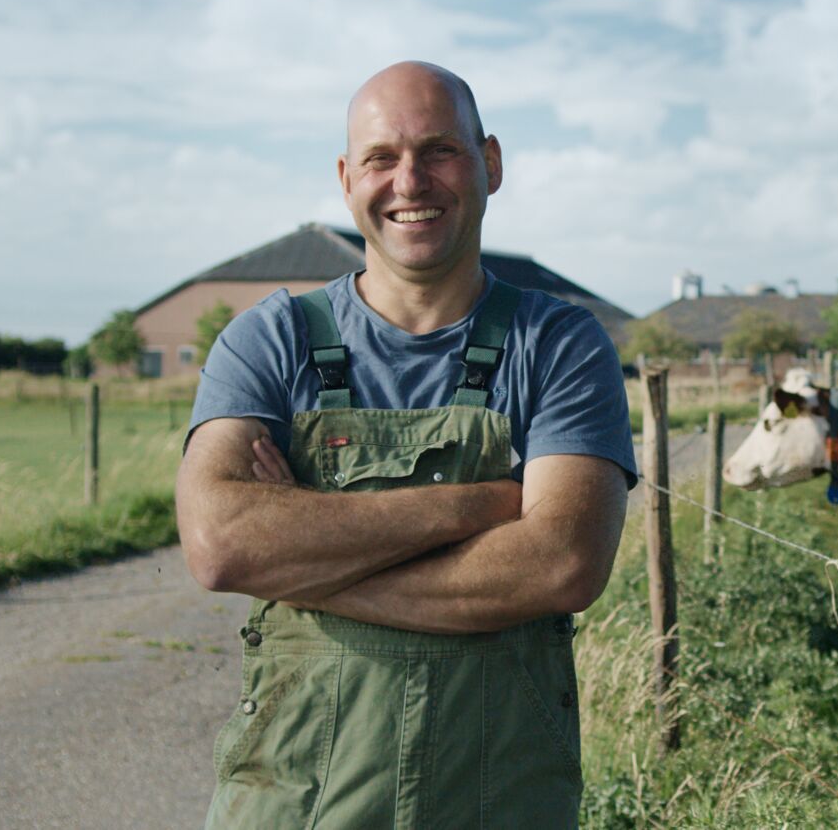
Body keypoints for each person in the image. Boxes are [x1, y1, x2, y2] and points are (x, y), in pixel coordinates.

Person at [176, 61, 635, 828]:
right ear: (346, 176)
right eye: (382, 158)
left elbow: (561, 563)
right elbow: (221, 545)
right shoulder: (270, 341)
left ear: (489, 163)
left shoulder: (558, 344)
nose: (411, 181)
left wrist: (308, 568)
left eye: (439, 151)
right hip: (296, 807)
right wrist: (481, 503)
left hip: (501, 802)